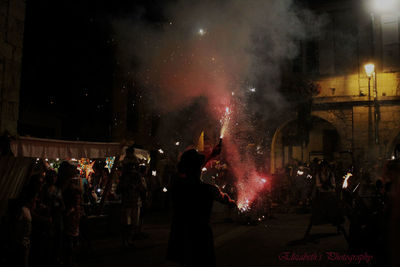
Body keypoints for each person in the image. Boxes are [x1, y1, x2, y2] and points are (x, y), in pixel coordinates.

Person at [166, 145, 236, 267]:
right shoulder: (208, 190)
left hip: (180, 235)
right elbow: (226, 200)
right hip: (200, 237)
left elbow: (191, 170)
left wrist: (212, 155)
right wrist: (231, 203)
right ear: (199, 169)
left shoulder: (177, 186)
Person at [117, 161, 146, 247]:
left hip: (135, 203)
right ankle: (125, 240)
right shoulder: (124, 177)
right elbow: (118, 189)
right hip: (127, 203)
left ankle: (129, 240)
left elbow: (142, 189)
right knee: (126, 223)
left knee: (133, 223)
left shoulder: (138, 177)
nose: (132, 171)